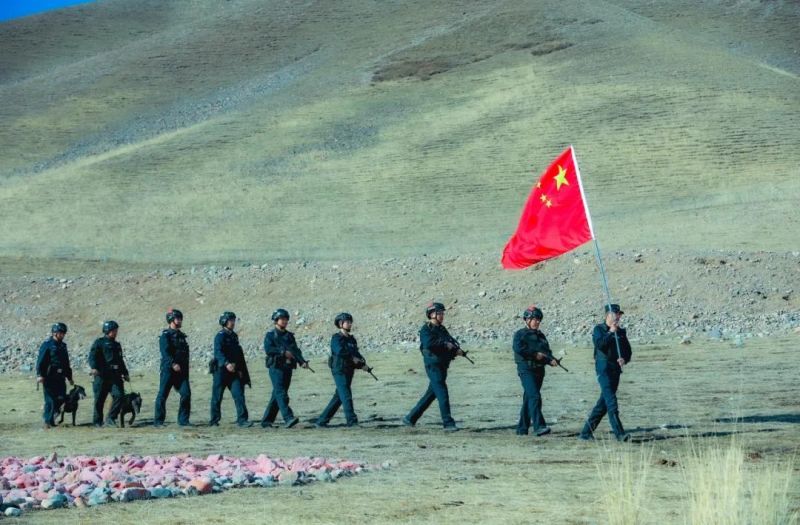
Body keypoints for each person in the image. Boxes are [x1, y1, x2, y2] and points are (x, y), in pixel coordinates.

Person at [403, 302, 466, 431]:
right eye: (440, 313)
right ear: (432, 314)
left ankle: (410, 418)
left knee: (431, 394)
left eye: (442, 313)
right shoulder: (426, 329)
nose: (442, 315)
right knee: (442, 393)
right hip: (433, 366)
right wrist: (445, 344)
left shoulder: (442, 329)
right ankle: (448, 423)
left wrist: (456, 350)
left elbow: (449, 343)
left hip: (443, 365)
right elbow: (429, 344)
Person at [579, 304, 632, 441]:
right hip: (603, 369)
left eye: (619, 314)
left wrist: (624, 359)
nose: (618, 317)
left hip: (616, 370)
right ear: (608, 315)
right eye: (616, 314)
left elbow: (628, 351)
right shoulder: (599, 329)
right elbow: (600, 344)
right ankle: (620, 434)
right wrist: (610, 332)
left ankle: (585, 433)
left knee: (603, 404)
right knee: (611, 401)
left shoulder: (621, 332)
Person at [315, 312, 367, 428]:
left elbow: (356, 354)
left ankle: (322, 420)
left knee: (339, 396)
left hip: (349, 370)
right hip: (339, 370)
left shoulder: (351, 340)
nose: (350, 324)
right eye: (347, 322)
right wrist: (353, 358)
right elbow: (339, 351)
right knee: (346, 395)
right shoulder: (336, 338)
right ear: (340, 324)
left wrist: (363, 364)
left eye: (350, 322)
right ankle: (352, 421)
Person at [513, 306, 559, 436]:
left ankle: (522, 429)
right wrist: (534, 354)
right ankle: (539, 426)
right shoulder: (520, 334)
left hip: (539, 371)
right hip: (526, 369)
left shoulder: (541, 335)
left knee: (529, 398)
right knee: (535, 396)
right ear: (527, 320)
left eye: (539, 319)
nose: (537, 322)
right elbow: (518, 349)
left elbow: (546, 352)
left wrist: (551, 360)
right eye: (534, 319)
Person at [260, 308, 309, 429]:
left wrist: (302, 361)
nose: (284, 321)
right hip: (276, 367)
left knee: (278, 394)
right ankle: (288, 418)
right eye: (282, 319)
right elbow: (269, 349)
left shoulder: (289, 336)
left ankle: (267, 420)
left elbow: (295, 351)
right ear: (276, 320)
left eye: (286, 319)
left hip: (288, 367)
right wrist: (282, 352)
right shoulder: (270, 335)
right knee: (281, 393)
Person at [209, 311, 253, 427]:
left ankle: (242, 420)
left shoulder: (234, 336)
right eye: (230, 320)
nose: (232, 323)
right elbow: (218, 352)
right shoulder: (220, 336)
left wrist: (241, 370)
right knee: (217, 396)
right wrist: (226, 363)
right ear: (224, 321)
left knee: (239, 394)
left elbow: (238, 354)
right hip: (221, 372)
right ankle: (214, 420)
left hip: (234, 372)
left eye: (233, 320)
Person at [154, 308, 191, 427]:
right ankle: (158, 421)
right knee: (163, 395)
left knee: (186, 393)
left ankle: (183, 421)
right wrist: (173, 363)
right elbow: (165, 353)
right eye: (177, 318)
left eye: (180, 319)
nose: (180, 321)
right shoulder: (166, 336)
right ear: (171, 320)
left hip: (181, 372)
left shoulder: (181, 336)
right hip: (168, 370)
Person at [88, 320, 129, 427]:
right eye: (114, 330)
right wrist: (94, 367)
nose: (116, 332)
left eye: (116, 330)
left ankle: (111, 418)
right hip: (102, 375)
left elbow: (120, 360)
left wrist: (125, 373)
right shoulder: (99, 343)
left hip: (115, 375)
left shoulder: (117, 345)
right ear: (107, 331)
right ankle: (97, 422)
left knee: (119, 395)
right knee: (99, 399)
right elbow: (92, 357)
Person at [36, 323, 73, 429]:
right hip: (49, 377)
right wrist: (40, 375)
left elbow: (66, 363)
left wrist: (69, 377)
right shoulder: (47, 345)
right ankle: (47, 422)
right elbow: (41, 361)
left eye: (63, 333)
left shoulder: (63, 346)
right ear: (54, 333)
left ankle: (52, 417)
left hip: (60, 377)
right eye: (60, 333)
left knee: (61, 398)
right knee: (50, 400)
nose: (62, 335)